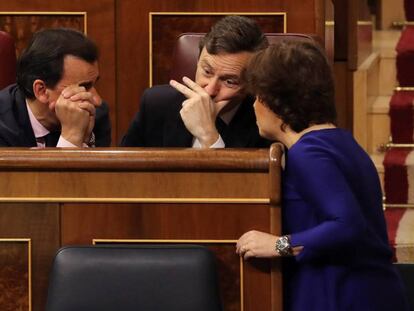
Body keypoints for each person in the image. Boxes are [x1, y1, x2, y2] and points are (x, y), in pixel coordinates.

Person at [236, 40, 409, 310]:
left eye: (257, 95)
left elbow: (348, 225)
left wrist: (279, 244)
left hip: (342, 296)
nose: (254, 105)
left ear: (275, 102)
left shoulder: (308, 155)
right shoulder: (339, 140)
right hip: (372, 291)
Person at [121, 16, 270, 148]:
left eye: (230, 81)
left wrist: (208, 136)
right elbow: (121, 173)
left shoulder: (268, 123)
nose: (210, 90)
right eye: (207, 71)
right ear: (197, 61)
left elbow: (250, 180)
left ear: (252, 84)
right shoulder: (156, 105)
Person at [0, 28, 111, 147]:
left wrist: (85, 141)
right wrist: (72, 136)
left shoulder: (96, 115)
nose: (97, 101)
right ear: (41, 91)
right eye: (83, 87)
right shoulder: (4, 126)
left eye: (94, 85)